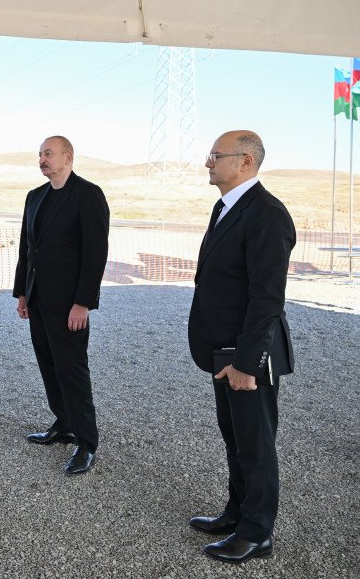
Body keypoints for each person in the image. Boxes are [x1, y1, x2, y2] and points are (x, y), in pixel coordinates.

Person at [187, 130, 296, 564]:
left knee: (255, 443)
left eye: (216, 155)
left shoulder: (267, 214)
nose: (208, 163)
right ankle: (237, 512)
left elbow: (267, 298)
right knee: (234, 436)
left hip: (247, 356)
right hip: (223, 352)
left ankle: (256, 533)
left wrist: (247, 365)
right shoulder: (227, 207)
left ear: (245, 161)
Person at [13, 135, 109, 475]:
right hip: (38, 299)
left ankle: (86, 442)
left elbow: (95, 253)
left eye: (48, 154)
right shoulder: (34, 196)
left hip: (69, 305)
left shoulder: (88, 195)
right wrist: (22, 293)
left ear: (68, 157)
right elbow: (27, 249)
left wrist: (83, 302)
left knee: (72, 369)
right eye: (40, 154)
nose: (42, 159)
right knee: (48, 364)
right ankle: (64, 422)